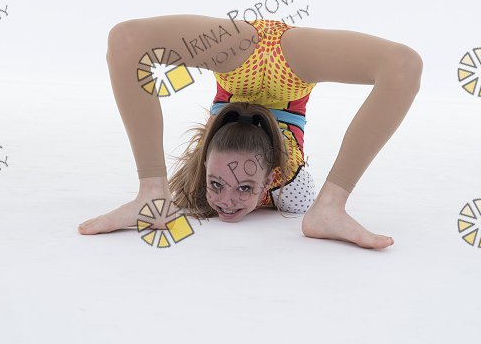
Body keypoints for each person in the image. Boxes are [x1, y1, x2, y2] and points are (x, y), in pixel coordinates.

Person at [78, 15, 423, 249]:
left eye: (222, 185)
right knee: (403, 66)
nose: (227, 203)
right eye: (234, 187)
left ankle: (153, 192)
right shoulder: (293, 193)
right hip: (292, 73)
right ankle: (152, 194)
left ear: (204, 164)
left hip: (239, 62)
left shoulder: (198, 190)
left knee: (126, 40)